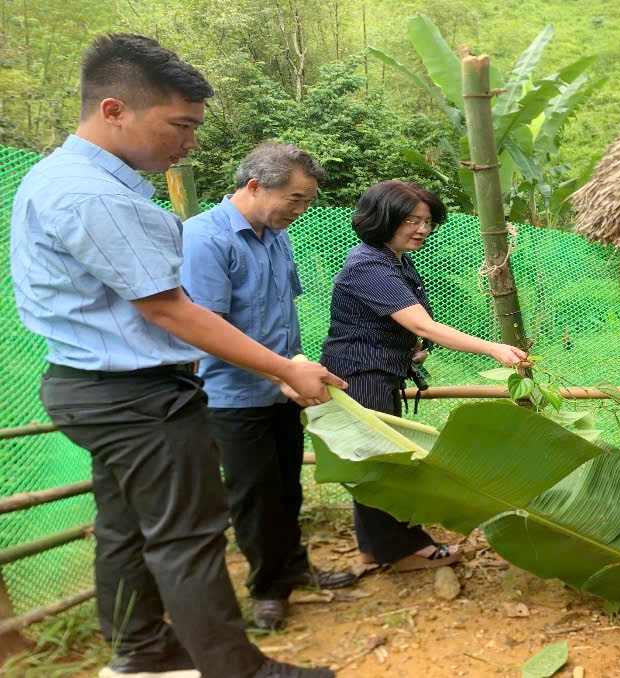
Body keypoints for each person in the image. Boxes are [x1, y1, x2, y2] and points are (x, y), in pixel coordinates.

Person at [10, 34, 345, 678]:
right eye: (180, 125)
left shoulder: (63, 177)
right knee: (187, 537)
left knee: (125, 527)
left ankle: (140, 648)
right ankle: (235, 668)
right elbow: (171, 309)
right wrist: (283, 367)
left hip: (97, 386)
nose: (190, 143)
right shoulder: (96, 195)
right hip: (137, 396)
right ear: (115, 110)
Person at [181, 143, 357, 632]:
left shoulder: (276, 235)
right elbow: (208, 329)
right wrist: (282, 371)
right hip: (234, 396)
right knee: (254, 494)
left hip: (283, 388)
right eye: (295, 199)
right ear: (255, 186)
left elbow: (280, 312)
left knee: (285, 486)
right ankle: (267, 590)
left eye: (307, 202)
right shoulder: (204, 239)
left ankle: (295, 565)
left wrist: (293, 368)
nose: (301, 211)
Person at [320, 181, 527, 571]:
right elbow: (425, 324)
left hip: (377, 370)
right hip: (360, 375)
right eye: (410, 220)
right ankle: (401, 552)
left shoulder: (393, 258)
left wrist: (408, 347)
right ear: (382, 219)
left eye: (427, 221)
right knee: (383, 467)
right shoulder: (368, 263)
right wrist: (494, 348)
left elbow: (401, 324)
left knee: (374, 463)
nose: (421, 229)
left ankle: (375, 549)